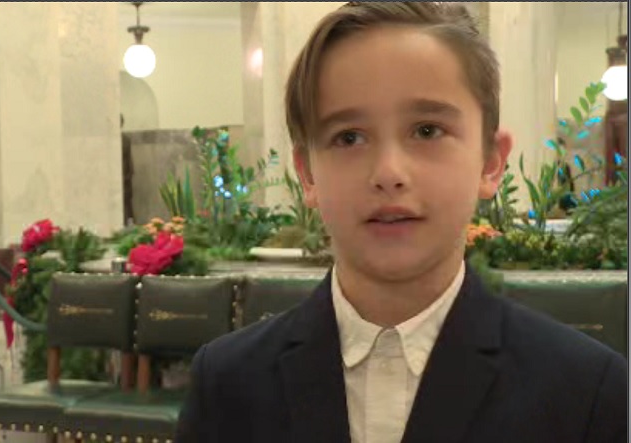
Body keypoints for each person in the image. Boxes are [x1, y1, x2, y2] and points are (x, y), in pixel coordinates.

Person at [175, 3, 628, 442]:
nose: (389, 173)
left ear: (491, 162)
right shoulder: (228, 383)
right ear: (308, 174)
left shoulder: (587, 392)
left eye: (427, 130)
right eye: (349, 137)